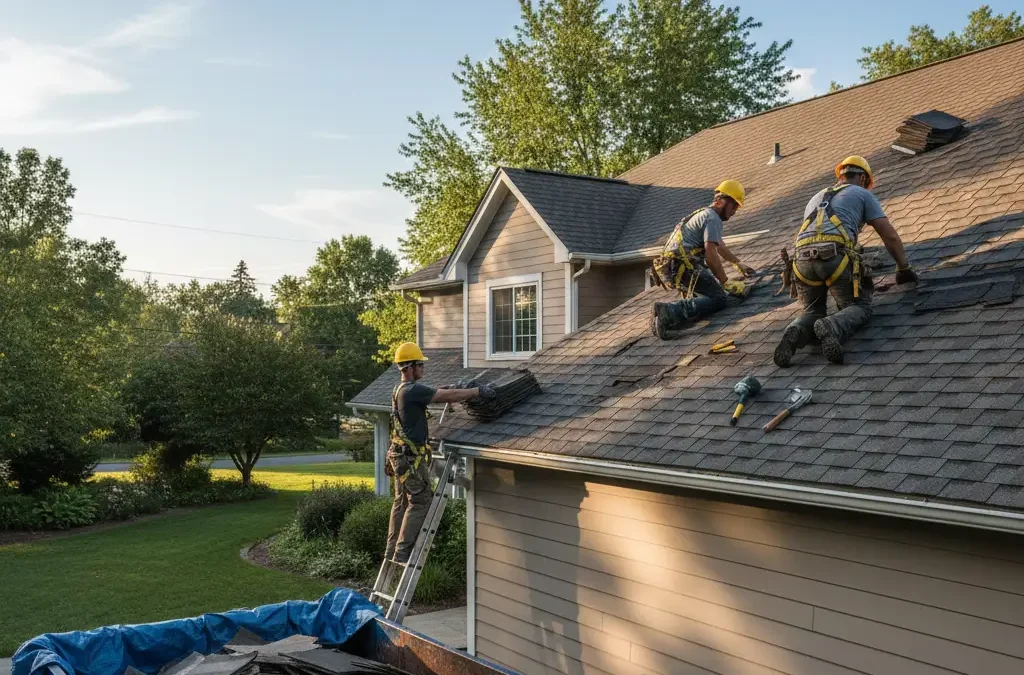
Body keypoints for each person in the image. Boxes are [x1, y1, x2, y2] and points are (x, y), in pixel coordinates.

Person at [774, 155, 917, 367]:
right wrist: (903, 268)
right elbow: (890, 236)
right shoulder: (861, 194)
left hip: (801, 262)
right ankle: (831, 326)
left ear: (841, 175)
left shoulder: (816, 197)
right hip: (834, 257)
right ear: (862, 178)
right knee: (859, 307)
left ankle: (795, 329)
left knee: (812, 311)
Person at [384, 342, 490, 564]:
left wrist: (452, 387)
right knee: (421, 501)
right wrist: (477, 391)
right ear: (410, 367)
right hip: (411, 459)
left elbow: (437, 391)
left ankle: (392, 549)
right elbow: (445, 396)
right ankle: (403, 552)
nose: (423, 368)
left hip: (400, 456)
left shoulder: (400, 390)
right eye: (420, 365)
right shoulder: (413, 390)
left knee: (401, 502)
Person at [650, 180, 756, 339]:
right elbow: (711, 255)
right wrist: (725, 282)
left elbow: (719, 246)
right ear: (721, 201)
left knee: (706, 295)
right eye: (734, 205)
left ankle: (670, 319)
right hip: (683, 266)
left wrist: (737, 263)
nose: (735, 211)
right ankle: (668, 311)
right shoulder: (713, 218)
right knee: (719, 298)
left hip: (675, 267)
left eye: (737, 207)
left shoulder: (705, 213)